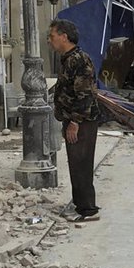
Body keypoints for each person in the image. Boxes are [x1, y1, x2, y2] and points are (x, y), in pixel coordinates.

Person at [49, 18, 102, 223]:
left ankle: (88, 210)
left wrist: (75, 122)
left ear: (64, 36)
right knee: (77, 163)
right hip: (75, 118)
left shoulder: (78, 59)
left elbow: (85, 93)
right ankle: (82, 205)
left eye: (52, 36)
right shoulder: (69, 58)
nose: (50, 41)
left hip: (82, 120)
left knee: (81, 163)